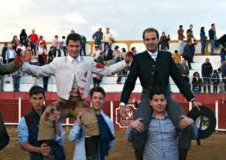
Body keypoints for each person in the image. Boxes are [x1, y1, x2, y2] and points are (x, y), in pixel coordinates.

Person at [15, 33, 132, 160]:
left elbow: (107, 71)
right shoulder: (58, 62)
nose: (74, 49)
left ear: (80, 46)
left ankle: (90, 157)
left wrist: (125, 62)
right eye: (71, 46)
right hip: (62, 103)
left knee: (92, 121)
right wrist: (23, 65)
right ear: (67, 46)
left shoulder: (88, 62)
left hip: (80, 103)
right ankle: (48, 155)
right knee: (46, 117)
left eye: (77, 46)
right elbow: (39, 71)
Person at [119, 28, 201, 160]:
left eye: (153, 38)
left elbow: (178, 79)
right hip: (146, 97)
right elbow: (129, 83)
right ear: (144, 42)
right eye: (147, 39)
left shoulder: (166, 56)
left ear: (158, 40)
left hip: (165, 97)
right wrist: (123, 102)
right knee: (137, 129)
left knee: (185, 126)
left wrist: (192, 98)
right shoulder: (138, 59)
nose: (150, 42)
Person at [126, 87, 196, 160]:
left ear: (166, 101)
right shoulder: (145, 120)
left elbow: (194, 136)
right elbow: (128, 139)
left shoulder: (175, 119)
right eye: (156, 100)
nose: (159, 103)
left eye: (162, 100)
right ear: (150, 102)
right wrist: (131, 127)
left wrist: (192, 122)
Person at [17, 85, 65, 160]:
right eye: (34, 98)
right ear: (30, 99)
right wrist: (39, 150)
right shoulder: (25, 120)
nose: (38, 102)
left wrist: (56, 123)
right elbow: (23, 144)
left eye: (40, 98)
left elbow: (60, 139)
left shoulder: (52, 115)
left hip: (56, 155)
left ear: (44, 99)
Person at [69, 86, 115, 160]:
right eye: (95, 98)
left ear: (104, 100)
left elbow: (111, 143)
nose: (98, 100)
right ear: (91, 100)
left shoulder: (108, 121)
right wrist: (78, 125)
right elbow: (71, 139)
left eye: (100, 98)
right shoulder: (82, 116)